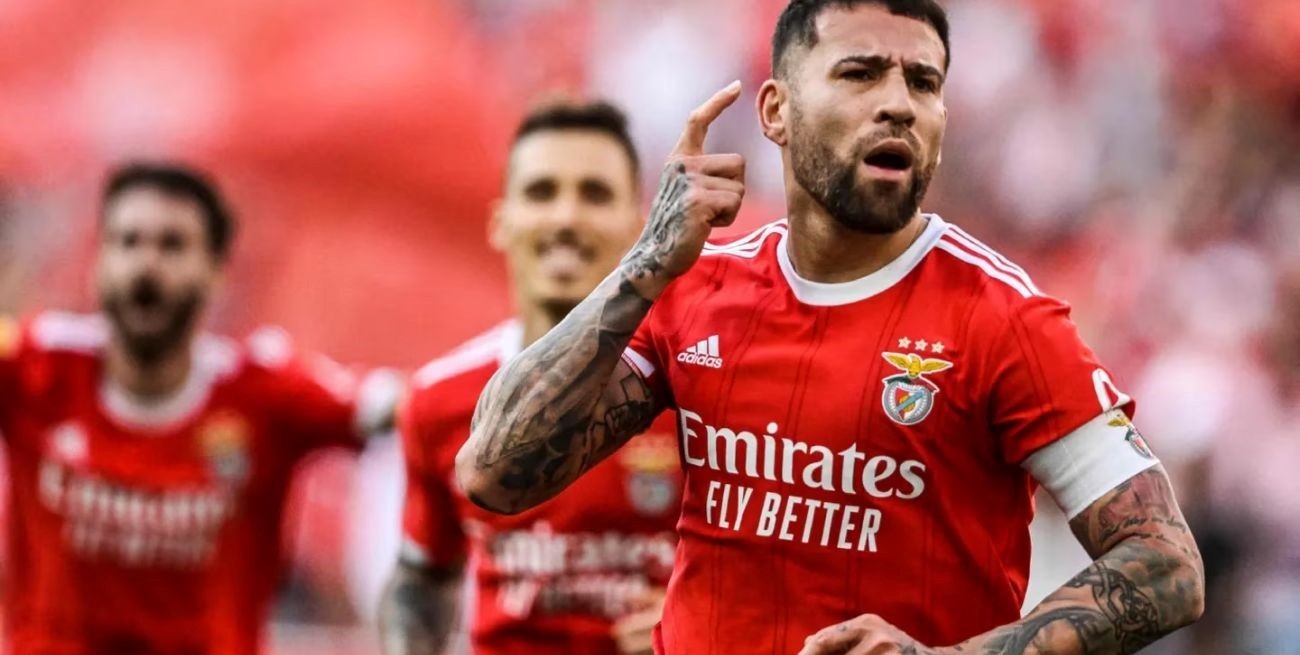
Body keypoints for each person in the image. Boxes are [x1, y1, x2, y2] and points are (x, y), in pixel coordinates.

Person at [456, 1, 1206, 654]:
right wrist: (645, 262)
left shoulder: (1005, 318)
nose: (899, 104)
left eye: (924, 82)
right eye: (860, 73)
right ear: (776, 112)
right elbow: (493, 472)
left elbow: (1166, 563)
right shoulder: (698, 286)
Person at [0, 163, 400, 654]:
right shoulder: (36, 364)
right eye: (127, 242)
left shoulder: (261, 389)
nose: (146, 265)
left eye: (172, 245)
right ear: (98, 262)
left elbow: (402, 407)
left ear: (217, 272)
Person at [379, 100, 681, 655]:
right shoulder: (438, 398)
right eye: (542, 192)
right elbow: (422, 577)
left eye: (595, 194)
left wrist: (700, 621)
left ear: (640, 227)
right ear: (501, 222)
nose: (566, 218)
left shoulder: (695, 387)